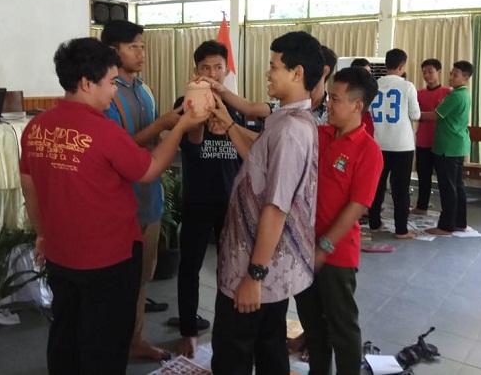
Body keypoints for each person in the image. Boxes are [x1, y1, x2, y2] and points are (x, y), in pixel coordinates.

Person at [19, 37, 206, 374]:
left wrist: (43, 234)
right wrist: (180, 127)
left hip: (60, 255)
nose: (114, 91)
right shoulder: (104, 131)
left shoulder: (36, 128)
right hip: (109, 259)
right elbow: (149, 169)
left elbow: (29, 187)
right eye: (110, 82)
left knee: (65, 332)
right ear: (86, 83)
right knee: (105, 342)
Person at [208, 31, 324, 375]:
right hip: (268, 268)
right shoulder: (285, 119)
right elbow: (259, 165)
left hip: (257, 268)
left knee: (233, 351)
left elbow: (276, 207)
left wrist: (253, 276)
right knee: (268, 342)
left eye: (274, 66)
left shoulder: (290, 131)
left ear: (297, 73)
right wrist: (229, 124)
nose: (268, 73)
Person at [295, 66, 383, 375]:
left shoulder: (368, 150)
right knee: (312, 324)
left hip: (337, 254)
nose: (328, 104)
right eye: (329, 97)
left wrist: (324, 247)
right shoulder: (320, 135)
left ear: (357, 105)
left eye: (335, 99)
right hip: (304, 246)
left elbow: (357, 206)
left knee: (342, 326)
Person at [100, 20, 178, 360]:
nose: (141, 53)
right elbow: (117, 150)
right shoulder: (107, 94)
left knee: (143, 277)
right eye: (134, 46)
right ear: (113, 50)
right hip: (121, 204)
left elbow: (153, 143)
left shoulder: (144, 90)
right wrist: (162, 124)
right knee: (118, 280)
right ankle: (111, 345)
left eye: (142, 46)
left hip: (150, 198)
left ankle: (135, 339)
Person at [169, 40, 245, 358]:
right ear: (196, 70)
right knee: (190, 266)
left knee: (231, 267)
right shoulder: (184, 103)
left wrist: (227, 123)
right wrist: (199, 118)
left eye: (218, 68)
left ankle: (229, 326)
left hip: (231, 202)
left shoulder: (237, 107)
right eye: (206, 68)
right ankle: (188, 330)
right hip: (198, 199)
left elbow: (246, 154)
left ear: (227, 70)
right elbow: (191, 145)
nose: (212, 74)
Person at [204, 46, 337, 126]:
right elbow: (250, 108)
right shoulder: (284, 106)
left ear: (324, 71)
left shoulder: (333, 111)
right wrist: (220, 88)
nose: (268, 74)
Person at [367, 48, 421, 239]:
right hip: (402, 145)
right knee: (400, 188)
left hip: (378, 143)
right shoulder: (407, 87)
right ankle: (401, 230)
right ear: (402, 66)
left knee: (377, 185)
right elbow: (416, 115)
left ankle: (374, 223)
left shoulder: (373, 85)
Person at [423, 61, 474, 235]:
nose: (451, 77)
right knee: (457, 185)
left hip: (448, 146)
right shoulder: (463, 94)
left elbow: (435, 115)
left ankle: (446, 226)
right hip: (457, 144)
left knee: (448, 187)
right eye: (451, 74)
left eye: (455, 75)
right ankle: (460, 222)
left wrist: (413, 113)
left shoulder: (455, 96)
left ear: (465, 78)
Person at [412, 59, 452, 215]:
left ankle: (447, 211)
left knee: (444, 178)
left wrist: (423, 115)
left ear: (439, 72)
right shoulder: (418, 94)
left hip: (442, 142)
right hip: (423, 141)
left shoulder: (448, 92)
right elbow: (413, 114)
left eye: (431, 72)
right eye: (424, 72)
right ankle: (422, 206)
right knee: (423, 176)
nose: (427, 75)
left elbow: (442, 116)